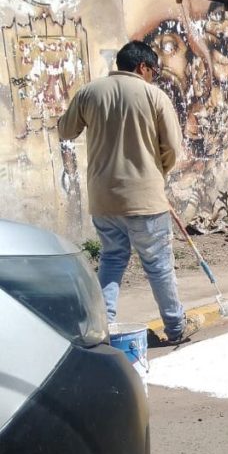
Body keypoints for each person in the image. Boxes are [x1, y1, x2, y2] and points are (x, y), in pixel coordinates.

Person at [58, 41, 202, 345]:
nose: (154, 77)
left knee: (112, 259)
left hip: (104, 200)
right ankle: (176, 327)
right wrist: (155, 175)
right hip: (145, 200)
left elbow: (65, 130)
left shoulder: (89, 92)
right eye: (154, 71)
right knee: (158, 265)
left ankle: (101, 328)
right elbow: (172, 148)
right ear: (142, 67)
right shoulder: (154, 96)